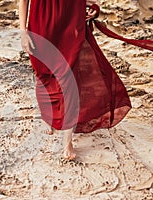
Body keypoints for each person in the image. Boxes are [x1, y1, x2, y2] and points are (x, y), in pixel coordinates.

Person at [19, 0, 153, 160]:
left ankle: (67, 141)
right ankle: (49, 115)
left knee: (68, 78)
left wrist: (91, 6)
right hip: (40, 25)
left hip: (68, 24)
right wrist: (23, 31)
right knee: (43, 75)